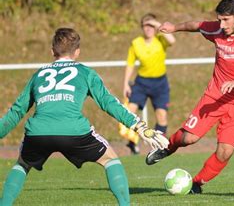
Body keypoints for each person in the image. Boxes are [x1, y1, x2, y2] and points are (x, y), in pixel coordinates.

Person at [0, 28, 168, 205]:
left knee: (22, 164)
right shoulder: (85, 72)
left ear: (52, 51)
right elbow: (108, 102)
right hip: (74, 131)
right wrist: (138, 126)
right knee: (110, 159)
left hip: (38, 132)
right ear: (77, 52)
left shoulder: (38, 75)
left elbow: (17, 110)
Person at [146, 0, 234, 194]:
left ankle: (196, 183)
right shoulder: (217, 30)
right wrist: (174, 27)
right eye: (219, 19)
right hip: (215, 96)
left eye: (226, 20)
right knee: (189, 139)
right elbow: (196, 25)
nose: (222, 25)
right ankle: (167, 147)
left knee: (225, 151)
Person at [122, 13, 176, 154]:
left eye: (151, 25)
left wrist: (157, 24)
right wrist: (126, 84)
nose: (148, 28)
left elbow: (172, 40)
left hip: (160, 83)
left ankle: (159, 145)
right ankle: (132, 143)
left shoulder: (160, 39)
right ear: (142, 27)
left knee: (161, 116)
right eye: (146, 25)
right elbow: (130, 63)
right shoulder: (136, 43)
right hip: (141, 82)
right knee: (130, 111)